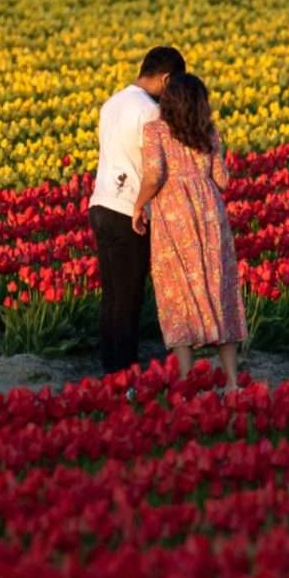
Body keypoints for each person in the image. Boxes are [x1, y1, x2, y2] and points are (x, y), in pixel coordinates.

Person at [131, 73, 247, 393]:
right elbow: (222, 180)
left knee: (176, 290)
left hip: (173, 213)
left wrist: (139, 206)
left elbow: (154, 175)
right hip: (210, 213)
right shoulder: (208, 132)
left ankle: (185, 381)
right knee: (219, 287)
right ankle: (232, 382)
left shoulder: (155, 130)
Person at [88, 46, 187, 374]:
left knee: (112, 296)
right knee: (128, 299)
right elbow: (155, 168)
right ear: (167, 79)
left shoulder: (112, 103)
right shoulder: (150, 112)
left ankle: (110, 371)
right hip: (130, 210)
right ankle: (124, 375)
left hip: (101, 203)